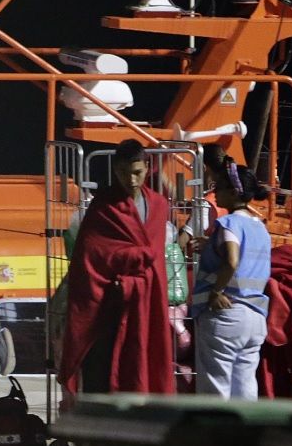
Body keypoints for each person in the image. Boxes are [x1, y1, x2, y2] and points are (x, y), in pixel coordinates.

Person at [60, 139, 174, 398]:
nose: (131, 180)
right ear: (115, 171)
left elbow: (154, 255)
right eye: (124, 173)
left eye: (137, 172)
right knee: (102, 366)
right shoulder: (103, 206)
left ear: (146, 168)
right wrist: (133, 259)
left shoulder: (158, 205)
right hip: (108, 304)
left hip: (144, 301)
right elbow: (91, 255)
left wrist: (140, 264)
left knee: (142, 359)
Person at [190, 162, 273, 400]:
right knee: (245, 387)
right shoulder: (261, 229)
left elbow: (233, 260)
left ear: (235, 193)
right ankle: (245, 436)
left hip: (226, 315)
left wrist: (217, 291)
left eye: (220, 187)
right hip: (256, 318)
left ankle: (215, 437)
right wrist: (210, 247)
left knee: (215, 389)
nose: (215, 192)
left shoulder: (229, 223)